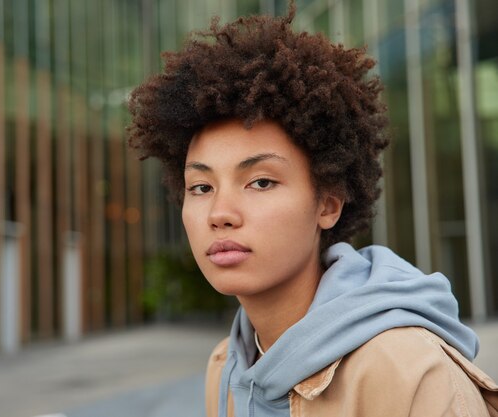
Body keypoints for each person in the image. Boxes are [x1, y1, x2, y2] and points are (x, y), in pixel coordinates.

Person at [127, 3, 498, 416]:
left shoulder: (408, 372)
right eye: (201, 186)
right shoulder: (225, 368)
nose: (220, 213)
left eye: (261, 182)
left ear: (328, 204)